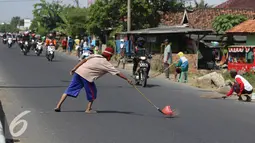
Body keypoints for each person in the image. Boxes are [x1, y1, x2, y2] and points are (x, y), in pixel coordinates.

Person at [54, 47, 132, 113]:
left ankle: (58, 106)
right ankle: (88, 109)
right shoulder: (106, 63)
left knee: (69, 89)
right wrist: (127, 79)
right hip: (87, 76)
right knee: (92, 92)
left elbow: (83, 60)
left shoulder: (95, 55)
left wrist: (74, 68)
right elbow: (117, 73)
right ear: (109, 56)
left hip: (78, 72)